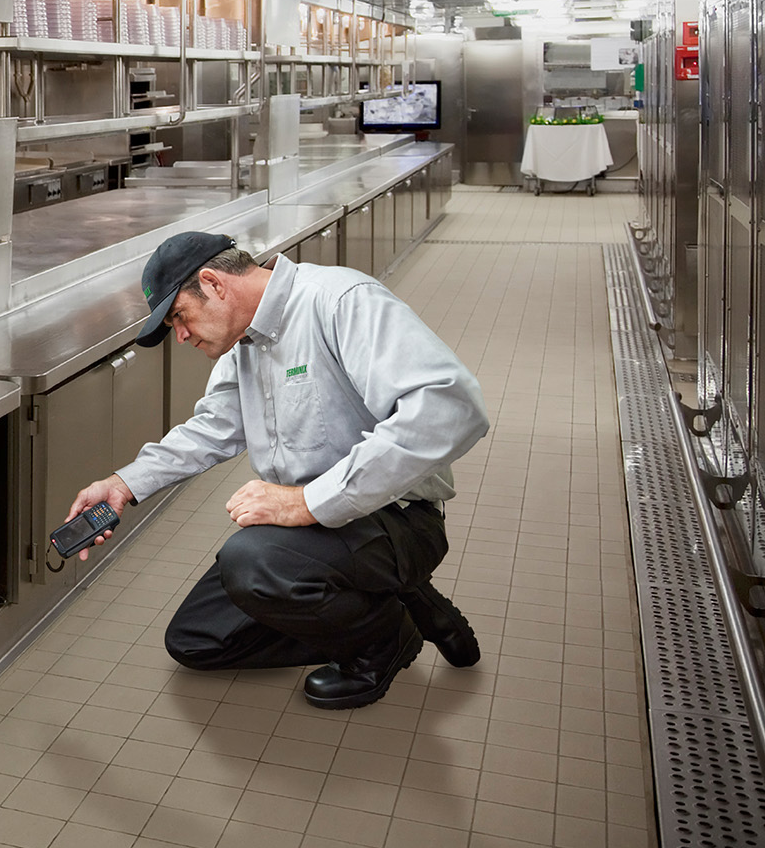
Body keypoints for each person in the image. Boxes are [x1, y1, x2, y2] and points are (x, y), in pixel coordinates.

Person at [67, 231, 489, 709]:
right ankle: (397, 607)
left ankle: (379, 644)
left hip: (397, 516)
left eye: (179, 317)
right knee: (196, 640)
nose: (180, 336)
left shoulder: (339, 301)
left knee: (252, 562)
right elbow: (213, 428)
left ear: (214, 283)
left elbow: (450, 408)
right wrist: (125, 483)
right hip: (313, 535)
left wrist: (307, 501)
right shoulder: (245, 341)